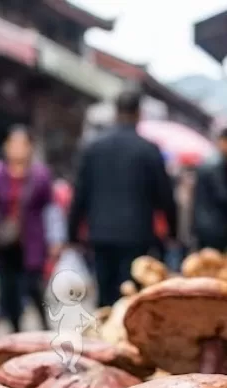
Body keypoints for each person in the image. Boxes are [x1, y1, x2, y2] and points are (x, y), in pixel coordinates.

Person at [68, 89, 178, 307]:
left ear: (115, 112)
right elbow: (165, 196)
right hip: (136, 234)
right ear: (139, 113)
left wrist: (71, 234)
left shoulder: (93, 148)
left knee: (105, 294)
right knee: (131, 296)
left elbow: (80, 193)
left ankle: (103, 336)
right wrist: (172, 232)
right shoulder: (148, 150)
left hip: (100, 234)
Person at [0, 126, 61, 333]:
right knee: (9, 289)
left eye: (21, 144)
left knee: (33, 286)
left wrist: (56, 238)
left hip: (32, 240)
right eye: (12, 144)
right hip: (4, 243)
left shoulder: (40, 176)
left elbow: (50, 209)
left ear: (29, 147)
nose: (16, 149)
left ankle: (45, 327)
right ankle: (15, 331)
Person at [191, 125, 227, 253]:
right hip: (215, 228)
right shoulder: (217, 164)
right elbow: (223, 196)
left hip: (205, 225)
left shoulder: (210, 161)